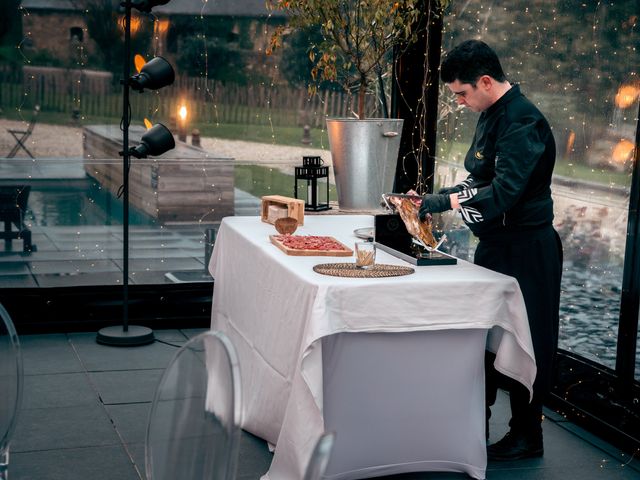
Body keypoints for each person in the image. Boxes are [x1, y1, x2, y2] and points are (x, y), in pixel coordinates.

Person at [418, 39, 563, 461]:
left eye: (462, 93)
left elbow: (503, 192)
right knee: (485, 336)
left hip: (529, 249)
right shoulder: (489, 113)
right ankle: (473, 428)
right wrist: (434, 197)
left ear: (485, 81)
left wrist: (445, 204)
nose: (460, 102)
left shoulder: (524, 121)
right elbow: (478, 178)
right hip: (496, 246)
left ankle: (526, 437)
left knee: (528, 340)